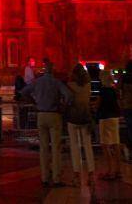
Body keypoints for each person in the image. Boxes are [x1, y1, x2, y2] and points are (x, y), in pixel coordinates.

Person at [21, 60, 72, 188]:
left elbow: (23, 92)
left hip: (41, 114)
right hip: (54, 115)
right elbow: (69, 95)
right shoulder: (56, 82)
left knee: (43, 148)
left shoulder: (37, 82)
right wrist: (63, 107)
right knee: (56, 147)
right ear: (53, 70)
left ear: (43, 70)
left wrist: (33, 102)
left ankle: (44, 177)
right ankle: (56, 178)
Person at [66, 63, 95, 192]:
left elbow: (67, 100)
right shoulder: (88, 86)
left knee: (75, 147)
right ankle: (91, 175)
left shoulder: (70, 86)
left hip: (73, 118)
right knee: (88, 147)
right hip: (86, 117)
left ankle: (77, 176)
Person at [96, 70, 121, 180]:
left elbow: (98, 103)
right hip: (115, 117)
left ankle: (110, 171)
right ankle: (118, 170)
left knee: (105, 146)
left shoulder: (103, 90)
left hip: (105, 117)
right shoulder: (113, 90)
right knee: (116, 144)